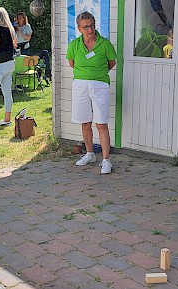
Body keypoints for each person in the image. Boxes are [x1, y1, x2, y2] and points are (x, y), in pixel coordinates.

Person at [66, 11, 117, 174]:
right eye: (86, 27)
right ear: (79, 28)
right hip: (80, 86)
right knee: (85, 122)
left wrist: (97, 75)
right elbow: (72, 63)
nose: (90, 30)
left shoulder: (105, 44)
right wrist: (85, 75)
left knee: (101, 123)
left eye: (92, 25)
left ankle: (106, 160)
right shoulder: (74, 44)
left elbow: (111, 62)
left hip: (100, 85)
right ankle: (89, 154)